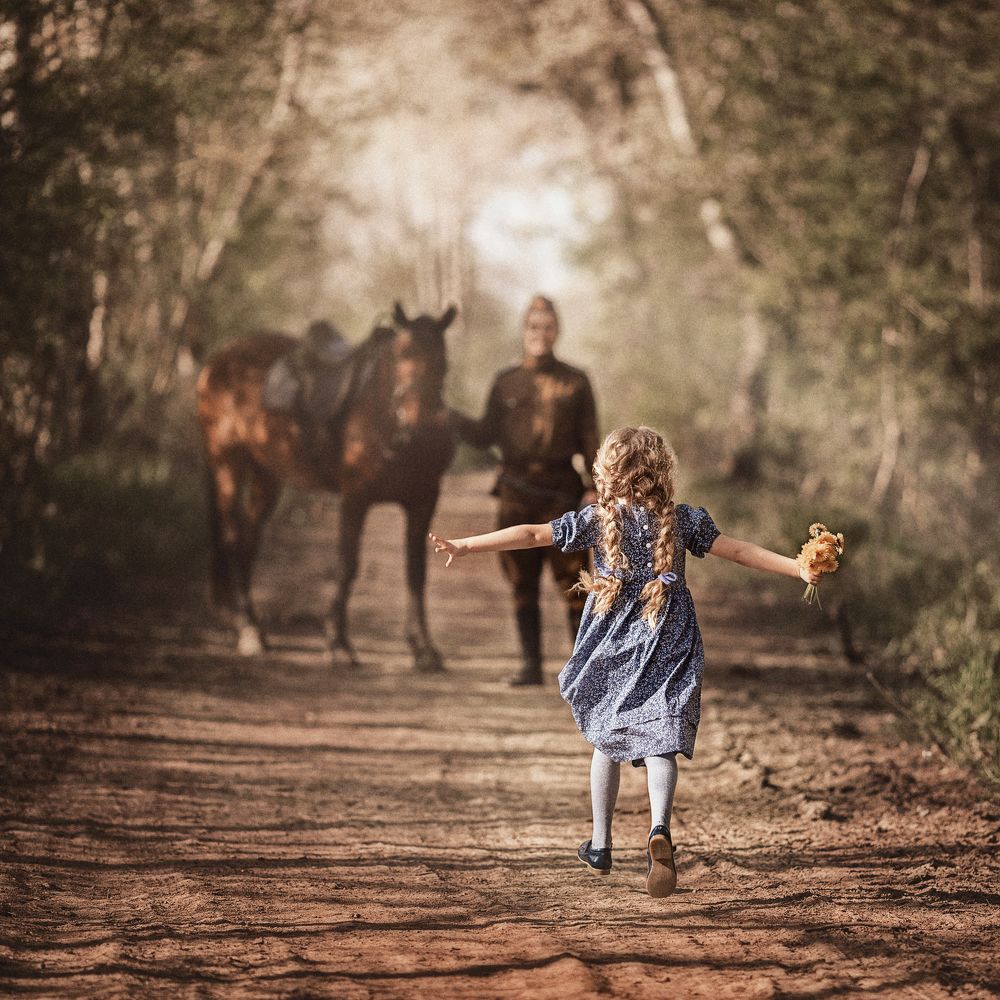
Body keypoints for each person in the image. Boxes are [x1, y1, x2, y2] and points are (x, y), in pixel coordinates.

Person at [429, 426, 821, 898]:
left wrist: (467, 545)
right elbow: (736, 550)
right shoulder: (683, 520)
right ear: (662, 471)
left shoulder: (598, 519)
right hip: (668, 638)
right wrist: (796, 566)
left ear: (607, 474)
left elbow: (534, 534)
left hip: (612, 643)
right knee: (662, 741)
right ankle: (659, 829)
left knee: (606, 738)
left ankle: (600, 843)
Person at [450, 295, 599, 686]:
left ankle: (582, 671)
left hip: (562, 492)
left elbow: (590, 439)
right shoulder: (505, 381)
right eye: (534, 327)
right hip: (515, 490)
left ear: (557, 331)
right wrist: (447, 416)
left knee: (576, 584)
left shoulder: (576, 381)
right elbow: (484, 434)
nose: (540, 334)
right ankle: (531, 666)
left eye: (547, 327)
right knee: (520, 580)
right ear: (524, 331)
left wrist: (594, 488)